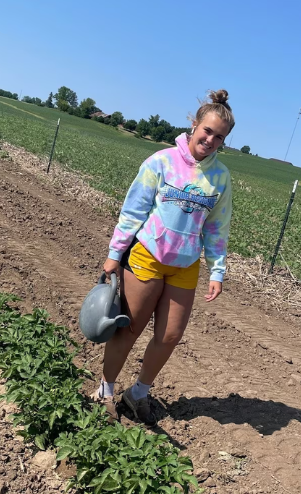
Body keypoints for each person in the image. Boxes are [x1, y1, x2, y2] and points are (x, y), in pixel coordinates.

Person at [90, 89, 234, 424]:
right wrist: (115, 254)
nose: (211, 140)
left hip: (185, 265)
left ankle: (138, 392)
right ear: (194, 125)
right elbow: (133, 210)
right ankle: (106, 389)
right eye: (207, 131)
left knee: (169, 336)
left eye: (219, 137)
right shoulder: (161, 161)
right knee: (129, 328)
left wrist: (217, 270)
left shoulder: (221, 177)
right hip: (148, 256)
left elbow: (217, 227)